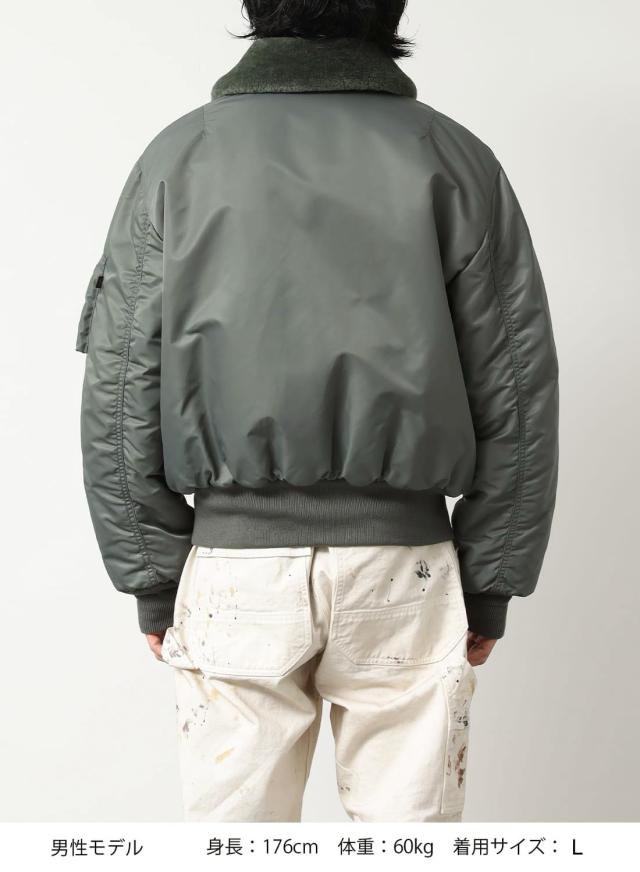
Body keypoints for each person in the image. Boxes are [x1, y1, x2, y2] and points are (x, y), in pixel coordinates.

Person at [75, 1, 559, 823]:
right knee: (409, 845)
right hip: (404, 569)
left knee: (237, 846)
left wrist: (152, 575)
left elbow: (122, 385)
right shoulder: (454, 156)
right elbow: (514, 384)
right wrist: (490, 581)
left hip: (235, 575)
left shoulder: (178, 157)